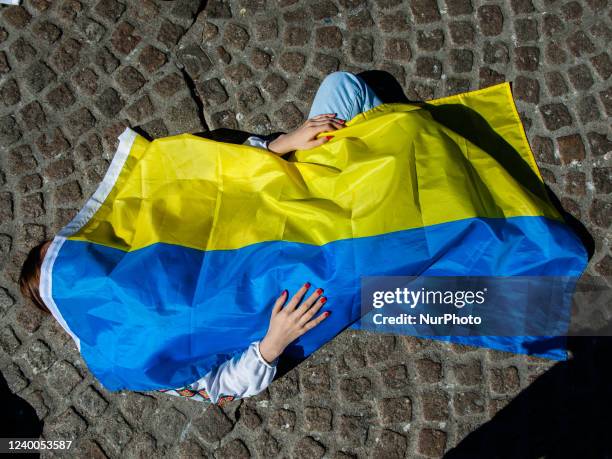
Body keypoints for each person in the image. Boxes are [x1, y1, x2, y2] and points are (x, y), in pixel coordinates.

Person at [19, 72, 384, 404]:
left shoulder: (139, 244)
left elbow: (210, 184)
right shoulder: (134, 356)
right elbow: (218, 385)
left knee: (342, 90)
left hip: (289, 196)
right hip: (318, 270)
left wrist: (283, 144)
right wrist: (273, 343)